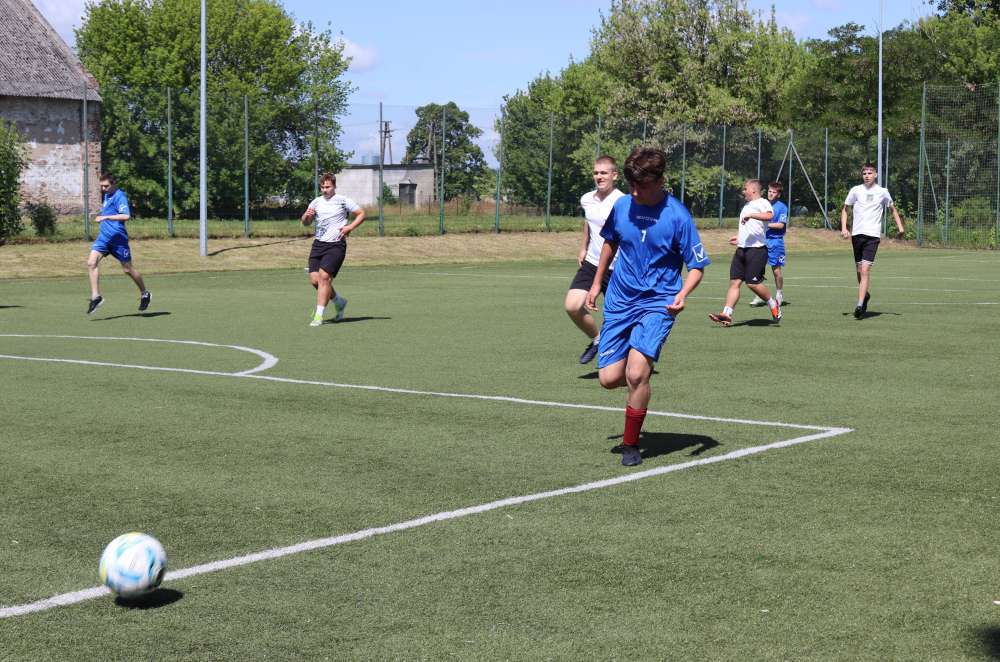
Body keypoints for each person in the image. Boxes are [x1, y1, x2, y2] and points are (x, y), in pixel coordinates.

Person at [585, 147, 710, 467]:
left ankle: (631, 444)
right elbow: (610, 241)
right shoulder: (622, 205)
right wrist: (597, 282)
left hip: (659, 302)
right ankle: (637, 365)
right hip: (620, 299)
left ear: (660, 181)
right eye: (632, 185)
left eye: (641, 186)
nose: (635, 192)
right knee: (608, 378)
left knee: (637, 374)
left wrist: (683, 293)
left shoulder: (678, 215)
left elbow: (696, 266)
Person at [565, 156, 625, 364]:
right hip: (592, 262)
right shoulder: (586, 199)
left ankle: (630, 361)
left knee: (620, 318)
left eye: (604, 173)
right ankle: (598, 339)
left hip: (618, 267)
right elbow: (589, 223)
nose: (599, 177)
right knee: (572, 306)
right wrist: (583, 247)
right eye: (596, 173)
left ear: (614, 175)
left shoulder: (623, 201)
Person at [708, 179, 781, 326]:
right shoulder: (747, 206)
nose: (743, 191)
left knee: (752, 283)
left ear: (753, 190)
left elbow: (769, 216)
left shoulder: (762, 202)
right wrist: (739, 238)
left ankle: (773, 304)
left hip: (757, 250)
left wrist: (751, 215)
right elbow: (750, 228)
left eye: (745, 188)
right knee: (734, 282)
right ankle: (726, 314)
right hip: (741, 250)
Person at [841, 163, 905, 319]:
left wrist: (900, 227)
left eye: (870, 173)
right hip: (857, 235)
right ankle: (866, 295)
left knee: (865, 270)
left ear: (875, 175)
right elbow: (845, 209)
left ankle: (859, 304)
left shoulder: (882, 192)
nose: (867, 175)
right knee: (859, 270)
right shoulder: (855, 190)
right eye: (864, 173)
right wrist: (844, 228)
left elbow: (892, 209)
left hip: (873, 236)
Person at [302, 172, 366, 327]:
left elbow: (361, 214)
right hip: (318, 245)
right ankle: (339, 301)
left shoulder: (343, 201)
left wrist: (349, 227)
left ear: (334, 186)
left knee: (324, 277)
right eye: (322, 187)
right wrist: (306, 216)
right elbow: (306, 223)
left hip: (336, 245)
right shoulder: (316, 202)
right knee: (315, 281)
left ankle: (318, 316)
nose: (325, 190)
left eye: (328, 187)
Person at [86, 173, 150, 314]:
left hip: (118, 240)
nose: (103, 189)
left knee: (127, 269)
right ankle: (96, 297)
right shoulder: (107, 195)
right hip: (104, 238)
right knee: (91, 263)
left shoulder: (120, 196)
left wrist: (106, 217)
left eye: (106, 186)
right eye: (102, 186)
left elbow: (126, 216)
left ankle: (145, 293)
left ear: (114, 184)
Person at [749, 180, 788, 308]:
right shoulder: (763, 204)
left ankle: (779, 294)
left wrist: (766, 224)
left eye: (774, 192)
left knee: (776, 270)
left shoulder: (782, 207)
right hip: (761, 241)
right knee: (758, 268)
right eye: (770, 191)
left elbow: (780, 225)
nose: (771, 194)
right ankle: (760, 295)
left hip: (775, 242)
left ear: (779, 194)